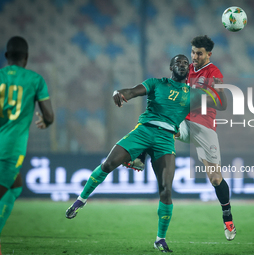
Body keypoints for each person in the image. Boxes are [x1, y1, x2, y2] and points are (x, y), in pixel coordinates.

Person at [65, 54, 227, 253]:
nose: (183, 65)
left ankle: (160, 239)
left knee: (166, 190)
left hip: (166, 139)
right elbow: (132, 92)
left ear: (189, 69)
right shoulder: (156, 83)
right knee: (108, 164)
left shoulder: (193, 94)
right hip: (143, 131)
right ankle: (81, 200)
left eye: (186, 63)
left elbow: (219, 103)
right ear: (171, 67)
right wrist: (120, 92)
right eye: (179, 62)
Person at [126, 35, 236, 241]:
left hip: (204, 128)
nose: (194, 57)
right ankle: (139, 156)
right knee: (158, 122)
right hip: (182, 123)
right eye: (193, 52)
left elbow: (222, 103)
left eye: (199, 53)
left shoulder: (214, 73)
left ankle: (227, 217)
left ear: (208, 55)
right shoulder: (187, 69)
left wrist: (200, 94)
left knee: (215, 178)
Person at [0, 36, 54, 253]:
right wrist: (45, 120)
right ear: (26, 57)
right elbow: (49, 115)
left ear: (6, 57)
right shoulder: (35, 79)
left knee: (16, 187)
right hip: (10, 148)